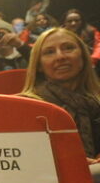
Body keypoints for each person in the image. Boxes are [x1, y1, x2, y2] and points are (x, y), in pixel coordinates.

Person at [20, 28, 100, 170]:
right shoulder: (25, 107)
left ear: (83, 56)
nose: (60, 56)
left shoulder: (96, 102)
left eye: (68, 48)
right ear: (38, 65)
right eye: (49, 52)